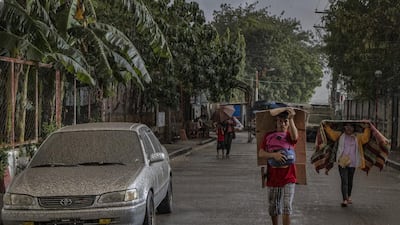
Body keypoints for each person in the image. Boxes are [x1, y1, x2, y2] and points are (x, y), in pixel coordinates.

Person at [258, 108, 298, 225]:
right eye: (280, 121)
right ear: (276, 122)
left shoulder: (290, 136)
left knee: (287, 207)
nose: (283, 123)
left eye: (285, 121)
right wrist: (274, 155)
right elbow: (261, 153)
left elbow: (295, 136)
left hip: (289, 176)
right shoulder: (269, 136)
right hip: (273, 177)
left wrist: (291, 119)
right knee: (273, 208)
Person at [322, 121, 371, 207]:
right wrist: (325, 125)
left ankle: (348, 196)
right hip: (342, 162)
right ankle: (345, 199)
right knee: (344, 181)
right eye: (347, 126)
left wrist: (367, 127)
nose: (349, 128)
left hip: (353, 162)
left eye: (351, 126)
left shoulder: (358, 137)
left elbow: (366, 138)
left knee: (350, 181)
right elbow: (331, 134)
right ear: (344, 127)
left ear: (354, 128)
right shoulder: (340, 135)